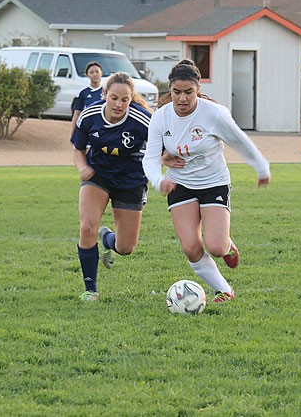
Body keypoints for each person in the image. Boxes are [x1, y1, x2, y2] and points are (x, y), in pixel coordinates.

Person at [142, 59, 270, 303]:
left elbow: (240, 141)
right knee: (191, 247)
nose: (182, 98)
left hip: (213, 182)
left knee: (215, 246)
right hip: (179, 184)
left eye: (188, 92)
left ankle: (227, 245)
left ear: (197, 90)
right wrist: (159, 181)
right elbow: (149, 159)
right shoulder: (160, 117)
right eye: (176, 92)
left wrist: (261, 167)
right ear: (170, 90)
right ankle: (224, 290)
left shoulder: (214, 114)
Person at [71, 72, 152, 301]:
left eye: (125, 99)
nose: (119, 104)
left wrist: (165, 161)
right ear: (105, 94)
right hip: (99, 174)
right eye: (114, 98)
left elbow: (163, 148)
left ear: (131, 98)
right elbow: (77, 149)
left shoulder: (143, 119)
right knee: (87, 227)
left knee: (125, 247)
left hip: (131, 179)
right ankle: (90, 289)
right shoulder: (90, 114)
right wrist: (82, 168)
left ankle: (108, 239)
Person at [70, 61, 103, 132]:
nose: (95, 74)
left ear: (101, 73)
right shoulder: (83, 93)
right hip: (88, 129)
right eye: (91, 72)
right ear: (87, 75)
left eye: (97, 72)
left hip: (103, 129)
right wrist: (74, 133)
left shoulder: (107, 92)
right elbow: (77, 113)